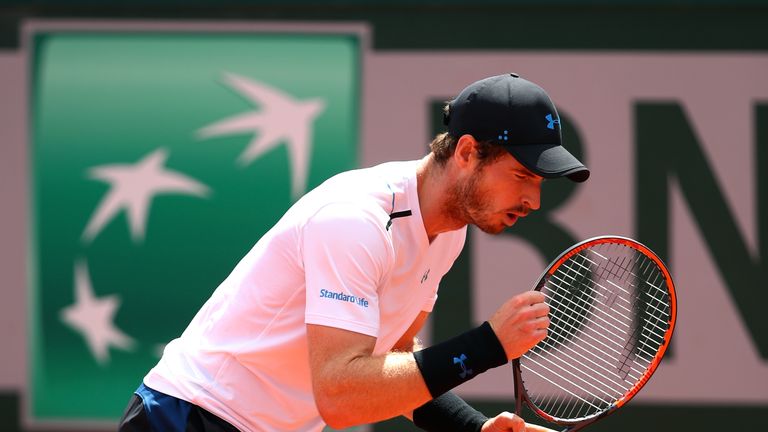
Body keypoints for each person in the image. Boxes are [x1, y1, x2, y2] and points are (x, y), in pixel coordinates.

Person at [118, 73, 590, 432]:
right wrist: (489, 344)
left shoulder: (448, 233)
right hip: (189, 417)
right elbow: (342, 397)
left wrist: (471, 428)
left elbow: (394, 360)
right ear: (467, 153)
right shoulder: (355, 219)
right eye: (523, 176)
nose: (534, 201)